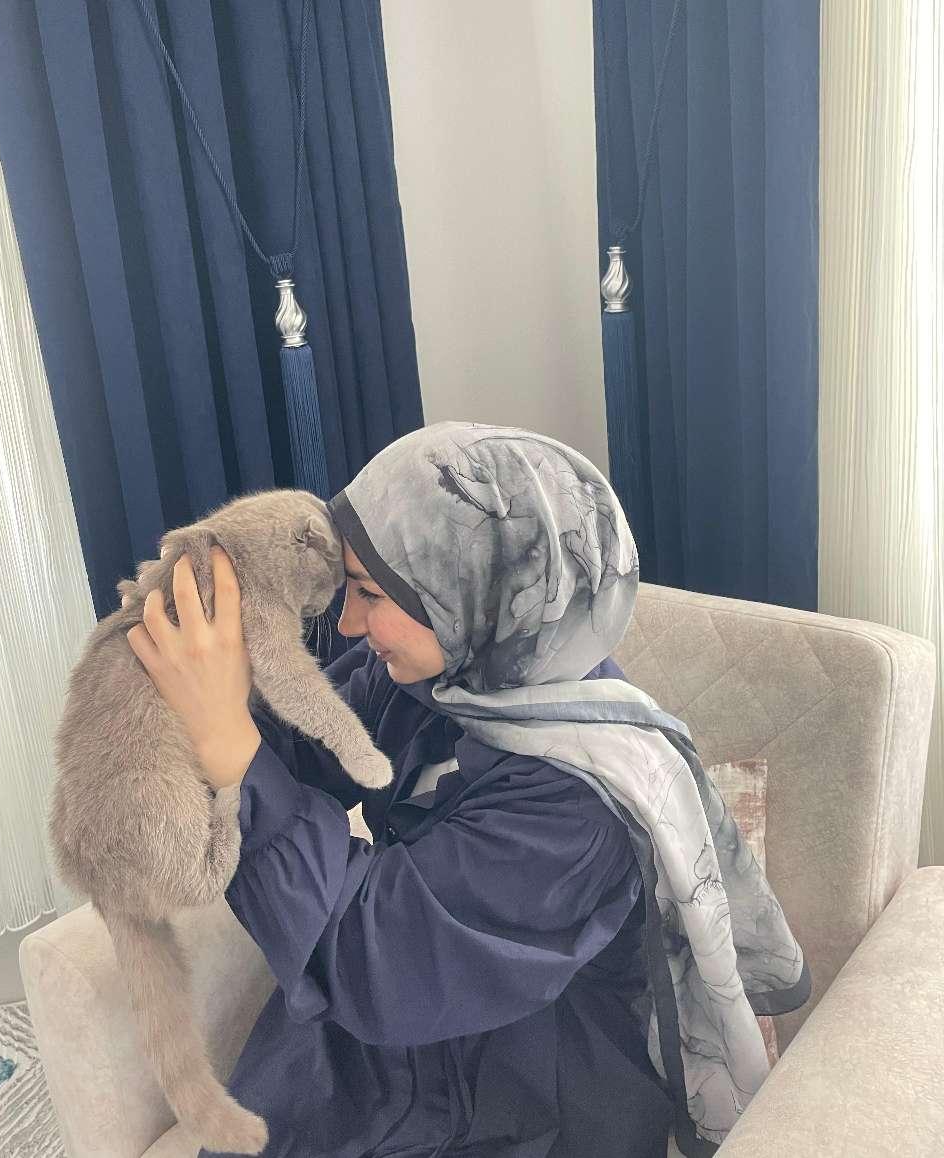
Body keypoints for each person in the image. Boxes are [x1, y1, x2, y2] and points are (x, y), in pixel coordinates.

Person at [126, 421, 682, 1157]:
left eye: (369, 593)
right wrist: (212, 682)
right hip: (398, 1025)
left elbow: (374, 959)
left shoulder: (580, 800)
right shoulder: (448, 673)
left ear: (472, 589)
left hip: (528, 1076)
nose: (350, 623)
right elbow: (304, 750)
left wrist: (229, 745)